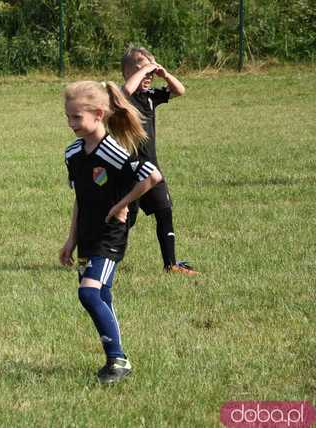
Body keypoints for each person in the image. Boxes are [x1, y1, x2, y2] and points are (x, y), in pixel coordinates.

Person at [60, 81, 162, 383]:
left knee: (89, 292)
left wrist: (122, 203)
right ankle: (115, 359)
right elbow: (80, 197)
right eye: (68, 117)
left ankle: (118, 359)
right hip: (86, 236)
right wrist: (71, 239)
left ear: (99, 114)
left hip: (110, 236)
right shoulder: (73, 153)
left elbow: (152, 176)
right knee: (100, 293)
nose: (71, 123)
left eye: (77, 117)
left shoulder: (113, 151)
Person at [121, 46, 199, 275]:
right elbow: (126, 90)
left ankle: (171, 264)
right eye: (141, 69)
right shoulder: (121, 97)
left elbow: (180, 90)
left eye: (150, 71)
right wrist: (145, 67)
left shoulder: (151, 97)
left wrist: (163, 73)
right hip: (128, 169)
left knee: (164, 210)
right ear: (127, 71)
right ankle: (103, 255)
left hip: (151, 167)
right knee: (127, 218)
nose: (148, 75)